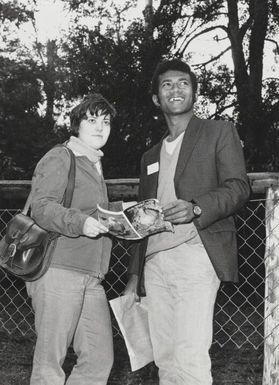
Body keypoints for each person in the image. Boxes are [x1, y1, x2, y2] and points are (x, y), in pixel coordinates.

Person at [125, 59, 250, 385]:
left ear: (194, 92)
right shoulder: (149, 157)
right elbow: (142, 219)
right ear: (156, 99)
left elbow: (238, 187)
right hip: (154, 263)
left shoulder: (218, 132)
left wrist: (197, 208)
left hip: (196, 254)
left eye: (183, 82)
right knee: (165, 359)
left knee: (190, 356)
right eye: (167, 84)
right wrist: (133, 277)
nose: (175, 89)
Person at [26, 93, 129, 385]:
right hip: (58, 269)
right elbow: (42, 207)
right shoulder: (62, 156)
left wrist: (129, 217)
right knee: (50, 363)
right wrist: (81, 223)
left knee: (98, 360)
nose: (100, 127)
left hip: (91, 276)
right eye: (91, 119)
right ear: (76, 125)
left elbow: (92, 212)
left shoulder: (94, 164)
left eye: (106, 121)